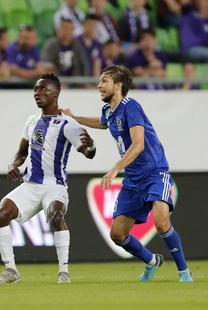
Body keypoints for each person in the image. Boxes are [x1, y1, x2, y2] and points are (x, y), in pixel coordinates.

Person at [61, 65, 193, 282]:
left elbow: (139, 144)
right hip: (133, 179)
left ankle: (184, 272)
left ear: (118, 84)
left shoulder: (131, 107)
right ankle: (152, 261)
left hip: (154, 172)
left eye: (104, 81)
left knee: (161, 223)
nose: (99, 85)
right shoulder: (108, 111)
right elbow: (103, 123)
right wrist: (75, 118)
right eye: (99, 81)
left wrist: (115, 169)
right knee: (117, 235)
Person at [0, 73, 96, 285]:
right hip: (30, 185)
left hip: (55, 186)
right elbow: (21, 153)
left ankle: (64, 272)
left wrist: (91, 145)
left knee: (57, 214)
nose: (37, 94)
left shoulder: (68, 124)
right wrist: (13, 165)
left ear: (56, 94)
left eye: (43, 90)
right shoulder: (32, 122)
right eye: (36, 90)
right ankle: (11, 270)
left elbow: (87, 152)